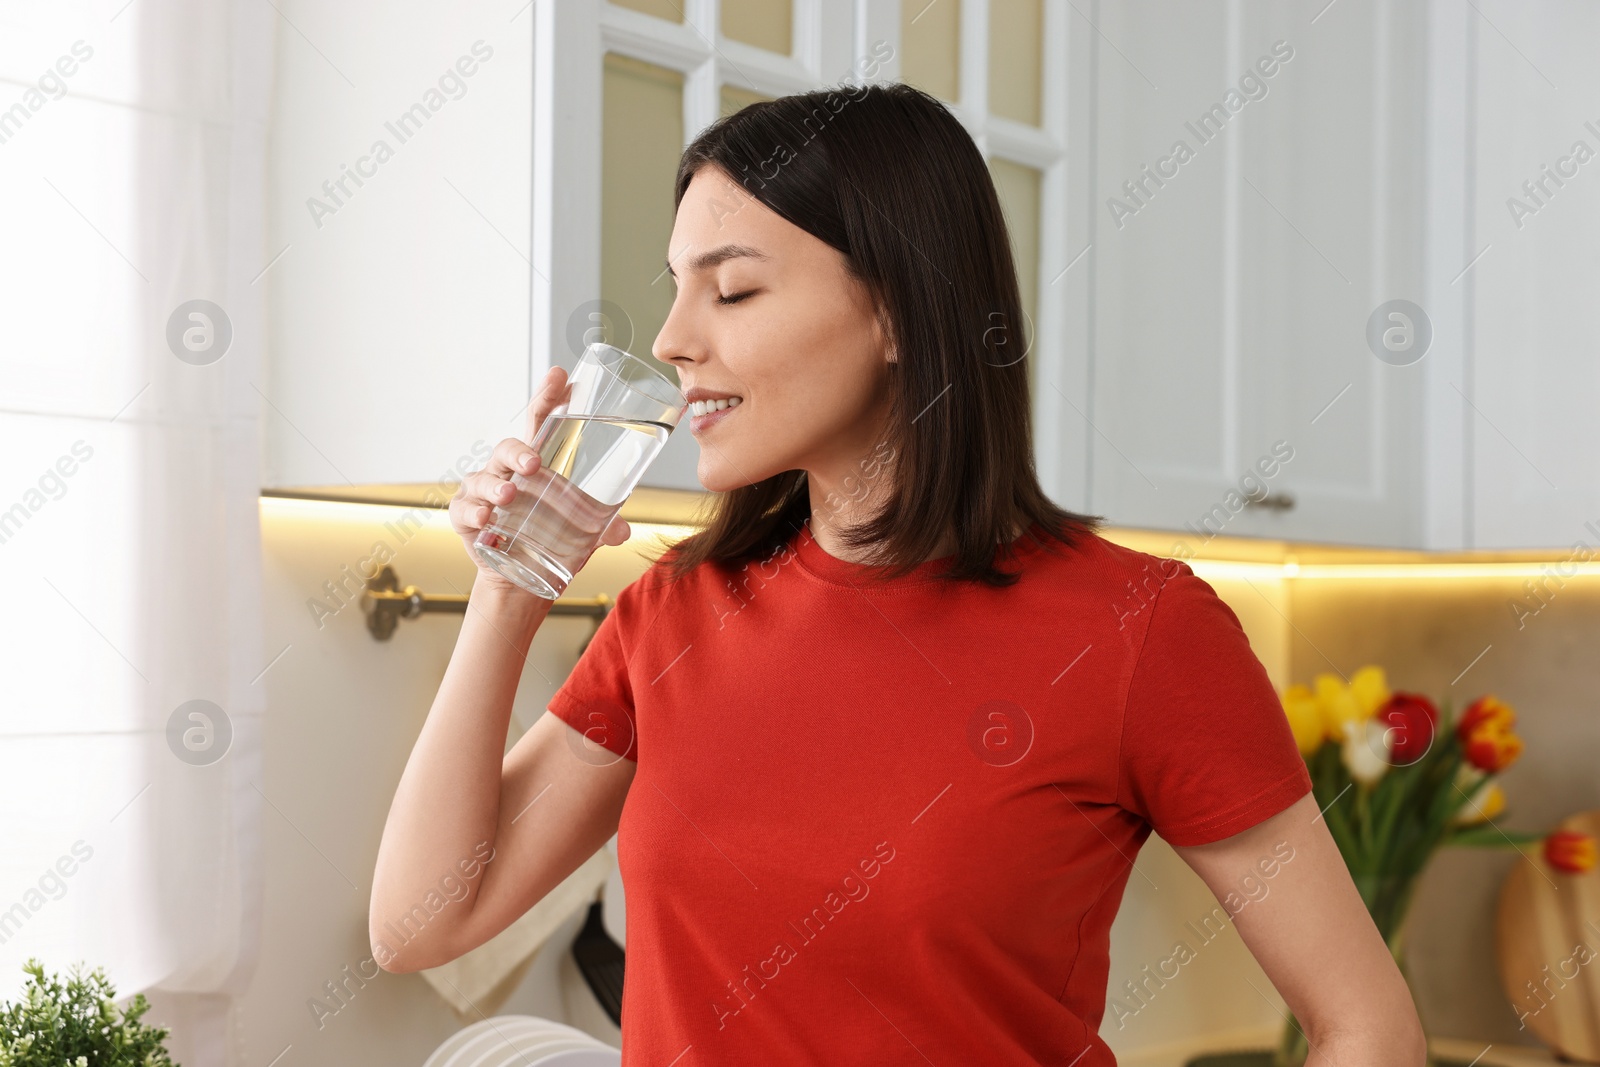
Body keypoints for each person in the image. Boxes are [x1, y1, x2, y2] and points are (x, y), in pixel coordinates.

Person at [370, 82, 1425, 1066]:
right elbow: (418, 922)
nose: (676, 339)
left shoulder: (1141, 630)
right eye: (677, 288)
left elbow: (1365, 1024)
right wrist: (511, 579)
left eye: (732, 289)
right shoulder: (672, 611)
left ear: (894, 312)